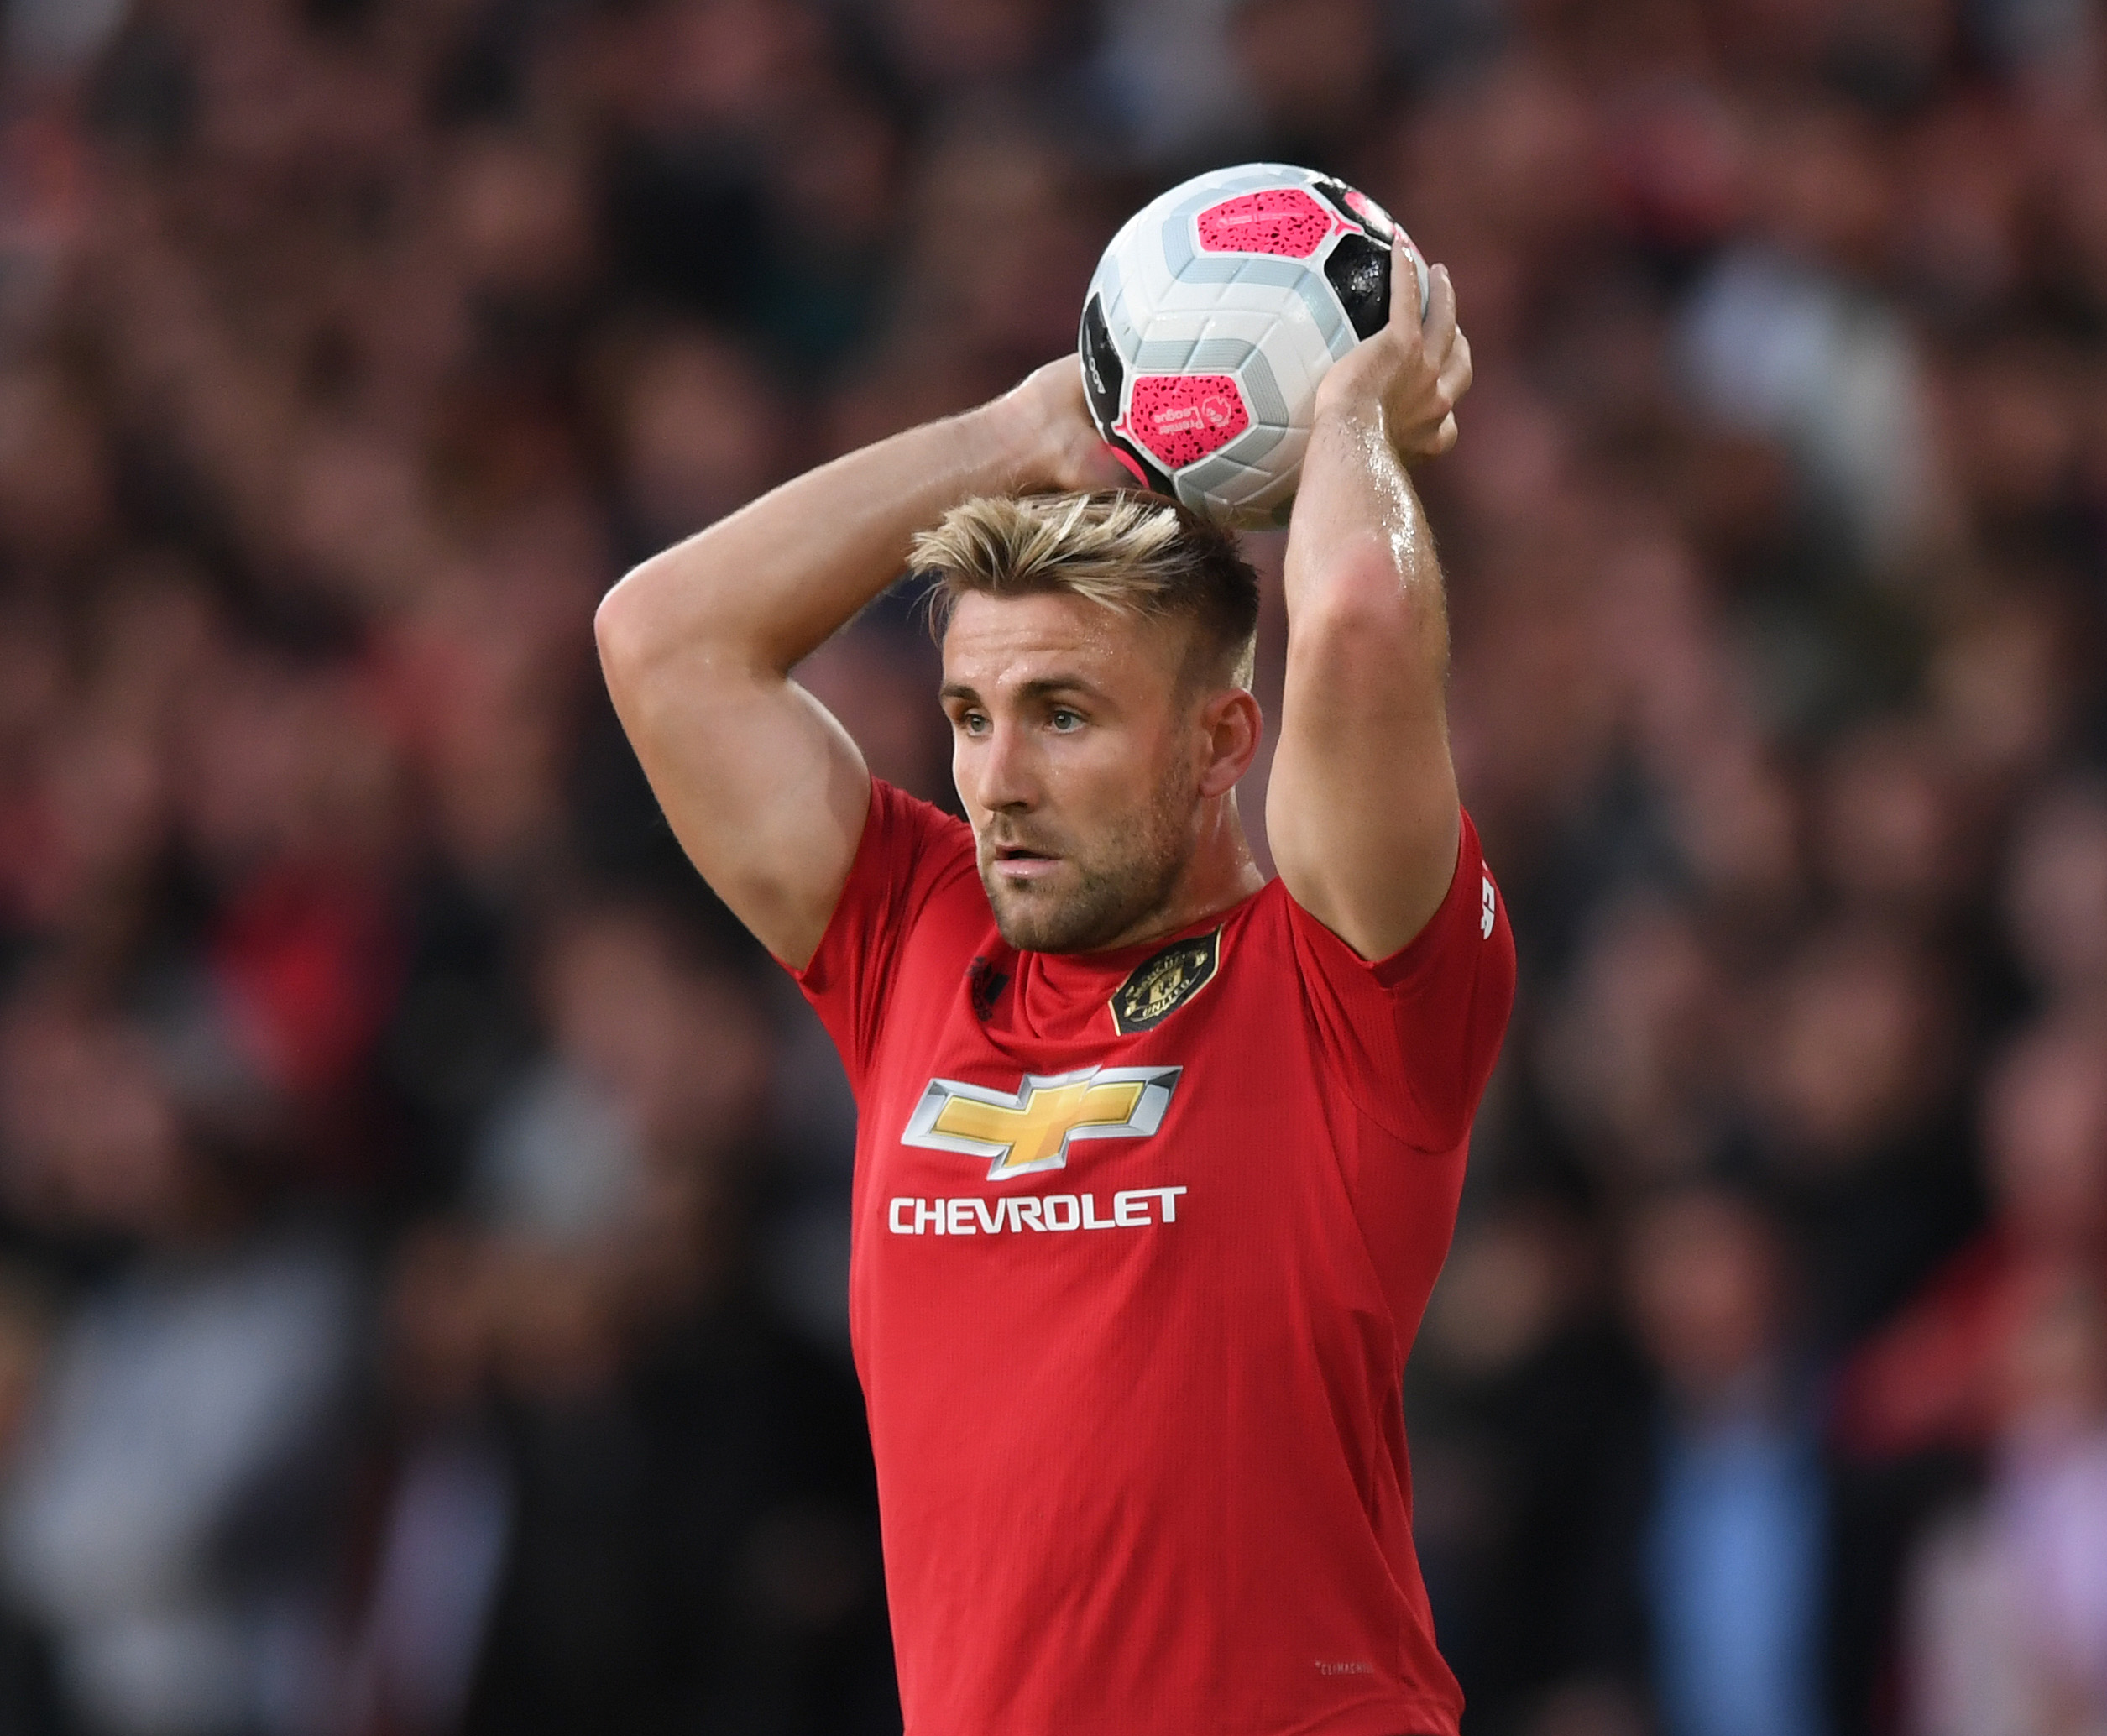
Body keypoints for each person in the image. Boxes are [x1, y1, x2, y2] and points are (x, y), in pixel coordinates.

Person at [594, 245, 1511, 1736]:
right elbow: (661, 639)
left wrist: (1349, 411)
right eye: (970, 715)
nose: (996, 781)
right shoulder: (913, 941)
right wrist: (1024, 436)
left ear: (1224, 743)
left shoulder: (1349, 986)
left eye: (1063, 715)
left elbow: (1351, 615)